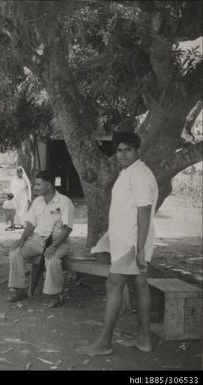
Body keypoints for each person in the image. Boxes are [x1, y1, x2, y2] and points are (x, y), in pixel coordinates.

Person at [77, 131, 158, 357]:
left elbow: (144, 211)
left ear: (136, 150)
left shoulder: (139, 174)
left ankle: (104, 343)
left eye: (128, 150)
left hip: (133, 243)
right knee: (140, 285)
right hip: (127, 241)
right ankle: (144, 339)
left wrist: (139, 247)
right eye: (119, 150)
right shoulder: (129, 172)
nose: (122, 154)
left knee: (114, 285)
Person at [8, 170, 75, 308]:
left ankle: (55, 296)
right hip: (38, 240)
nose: (35, 187)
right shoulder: (37, 202)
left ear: (49, 185)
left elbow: (68, 228)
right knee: (16, 253)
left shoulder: (64, 201)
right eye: (35, 184)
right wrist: (21, 240)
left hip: (59, 241)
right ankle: (18, 289)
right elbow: (31, 225)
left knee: (52, 259)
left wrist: (54, 246)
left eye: (38, 184)